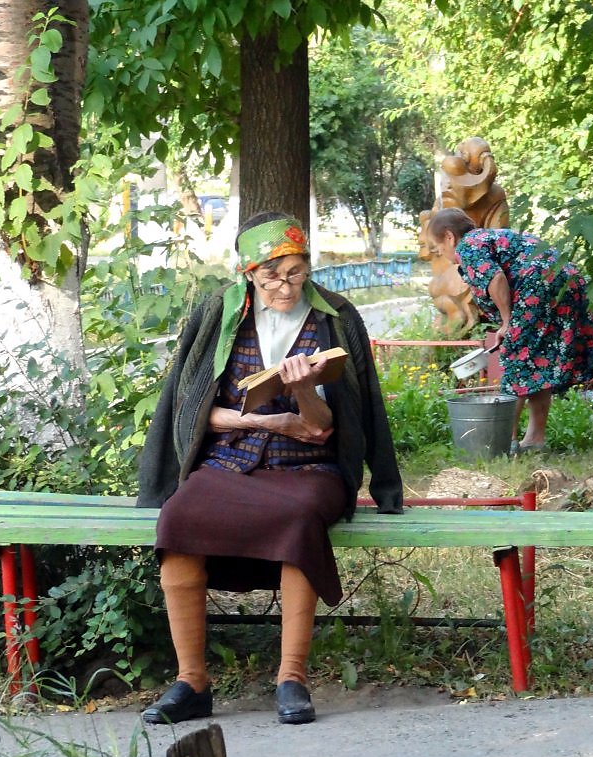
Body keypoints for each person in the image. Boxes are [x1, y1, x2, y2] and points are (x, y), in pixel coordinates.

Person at [137, 212, 403, 725]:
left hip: (310, 469)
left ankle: (291, 678)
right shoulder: (219, 313)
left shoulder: (335, 316)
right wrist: (264, 421)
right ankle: (191, 682)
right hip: (229, 461)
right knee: (178, 520)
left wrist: (302, 389)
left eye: (296, 272)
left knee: (300, 519)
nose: (285, 286)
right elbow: (194, 411)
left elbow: (324, 429)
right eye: (272, 276)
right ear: (248, 273)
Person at [428, 208, 593, 452]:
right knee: (537, 363)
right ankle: (534, 440)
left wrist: (507, 322)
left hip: (539, 288)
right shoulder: (489, 237)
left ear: (450, 237)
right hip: (566, 282)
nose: (441, 254)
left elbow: (495, 279)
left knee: (516, 365)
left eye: (437, 248)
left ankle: (503, 444)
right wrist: (508, 323)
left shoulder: (467, 246)